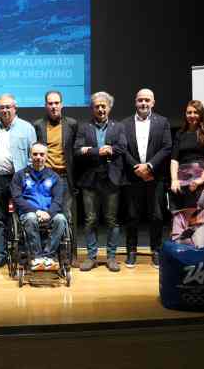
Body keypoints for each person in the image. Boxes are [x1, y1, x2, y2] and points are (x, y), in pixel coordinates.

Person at [0, 93, 37, 269]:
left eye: (8, 107)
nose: (5, 110)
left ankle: (22, 253)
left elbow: (33, 155)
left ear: (15, 108)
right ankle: (1, 254)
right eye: (2, 107)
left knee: (22, 217)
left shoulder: (27, 128)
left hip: (18, 180)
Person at [74, 91, 127, 272]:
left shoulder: (118, 127)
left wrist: (101, 149)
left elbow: (122, 148)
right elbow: (77, 150)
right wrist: (99, 151)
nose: (100, 109)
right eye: (97, 106)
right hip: (90, 180)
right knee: (90, 220)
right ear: (92, 108)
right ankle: (91, 256)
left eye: (104, 106)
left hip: (111, 180)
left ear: (109, 108)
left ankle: (111, 257)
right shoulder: (83, 127)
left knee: (111, 220)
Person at [121, 88, 172, 268]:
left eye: (147, 100)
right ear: (135, 102)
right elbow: (122, 149)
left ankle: (156, 250)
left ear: (153, 102)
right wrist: (137, 167)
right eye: (140, 100)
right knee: (132, 216)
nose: (143, 103)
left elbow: (166, 147)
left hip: (154, 177)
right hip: (132, 176)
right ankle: (131, 251)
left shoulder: (163, 122)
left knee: (156, 216)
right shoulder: (124, 124)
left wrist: (149, 166)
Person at [33, 91, 78, 266]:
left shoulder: (72, 124)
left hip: (65, 177)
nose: (53, 106)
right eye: (50, 103)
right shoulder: (38, 125)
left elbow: (74, 152)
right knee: (45, 216)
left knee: (67, 216)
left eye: (56, 103)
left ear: (62, 104)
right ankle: (47, 254)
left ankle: (70, 254)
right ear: (46, 105)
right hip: (44, 179)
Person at [169, 100, 204, 249]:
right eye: (189, 112)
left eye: (195, 112)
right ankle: (185, 253)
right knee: (185, 219)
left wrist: (201, 179)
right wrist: (174, 180)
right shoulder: (180, 134)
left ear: (201, 114)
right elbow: (174, 159)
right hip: (183, 182)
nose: (192, 115)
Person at [10, 142, 68, 271]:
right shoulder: (19, 176)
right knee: (30, 218)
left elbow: (58, 200)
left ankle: (48, 256)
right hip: (28, 213)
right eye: (35, 154)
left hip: (49, 213)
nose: (38, 157)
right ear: (30, 156)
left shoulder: (55, 177)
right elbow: (17, 199)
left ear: (46, 156)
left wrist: (48, 213)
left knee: (61, 219)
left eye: (42, 154)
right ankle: (36, 257)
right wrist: (36, 211)